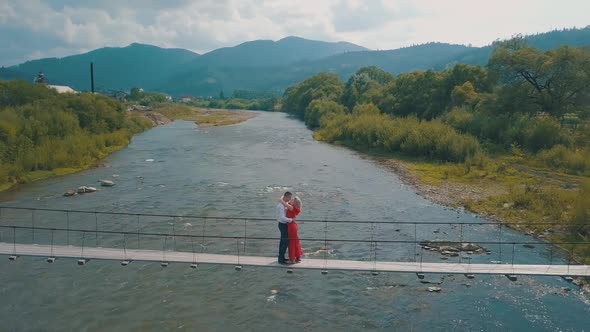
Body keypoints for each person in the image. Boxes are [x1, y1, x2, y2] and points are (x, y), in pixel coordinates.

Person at [279, 196, 303, 263]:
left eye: (292, 199)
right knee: (296, 242)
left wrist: (281, 199)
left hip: (291, 226)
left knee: (291, 242)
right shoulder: (294, 207)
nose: (290, 199)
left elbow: (283, 203)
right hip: (293, 225)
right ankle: (298, 257)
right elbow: (287, 202)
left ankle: (292, 259)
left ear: (294, 202)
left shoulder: (292, 207)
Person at [276, 191, 293, 264]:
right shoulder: (281, 206)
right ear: (286, 197)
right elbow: (282, 217)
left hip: (283, 224)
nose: (290, 199)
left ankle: (281, 258)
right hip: (282, 224)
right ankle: (281, 259)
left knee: (282, 242)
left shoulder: (283, 203)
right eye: (289, 197)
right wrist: (291, 220)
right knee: (285, 242)